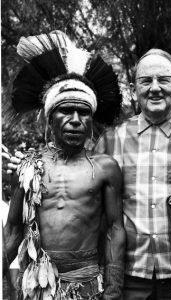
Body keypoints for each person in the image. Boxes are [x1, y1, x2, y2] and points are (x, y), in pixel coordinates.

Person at [6, 48, 171, 299]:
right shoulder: (112, 139)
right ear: (133, 90)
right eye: (146, 81)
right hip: (130, 274)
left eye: (163, 80)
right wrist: (31, 163)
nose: (155, 88)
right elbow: (73, 173)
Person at [3, 31, 125, 299]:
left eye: (83, 112)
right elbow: (12, 228)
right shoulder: (28, 167)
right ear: (50, 119)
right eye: (65, 110)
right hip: (37, 284)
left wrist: (114, 288)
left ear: (92, 121)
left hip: (86, 283)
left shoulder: (105, 168)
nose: (74, 119)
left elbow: (115, 229)